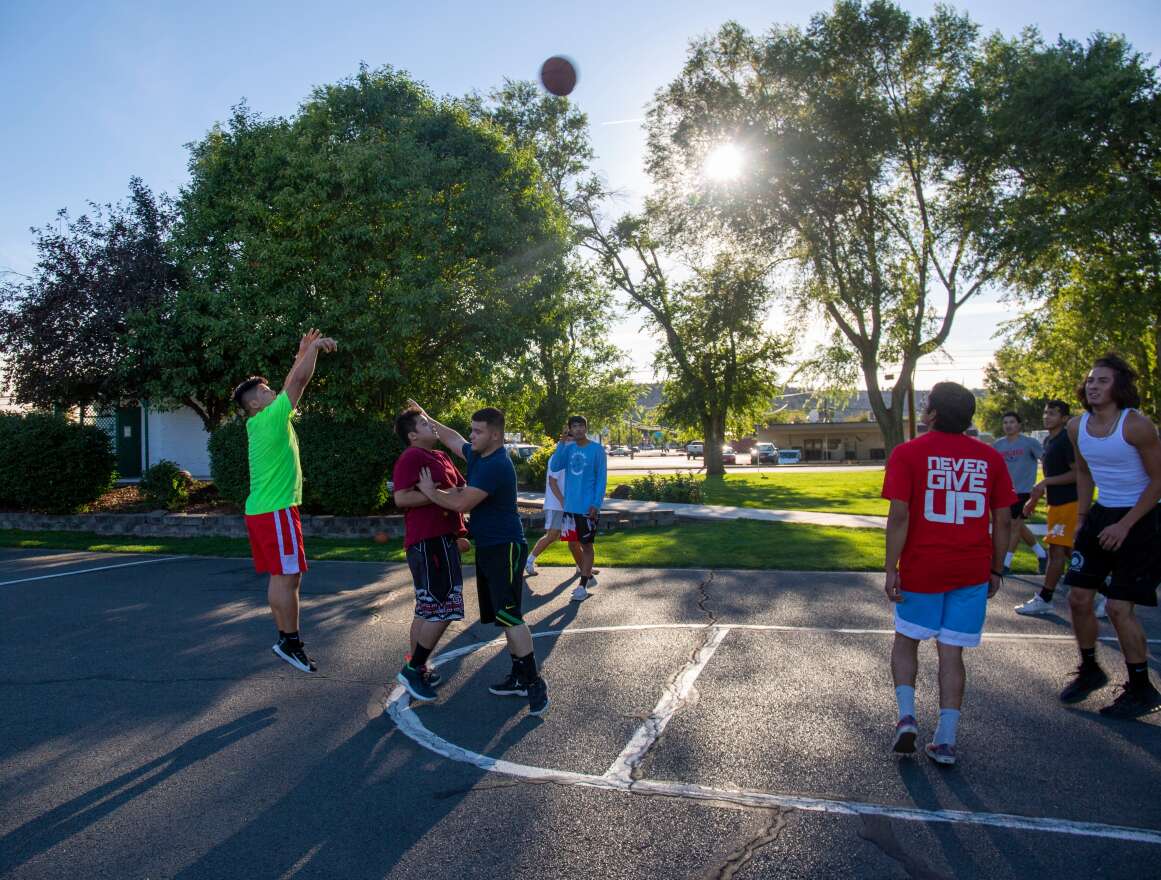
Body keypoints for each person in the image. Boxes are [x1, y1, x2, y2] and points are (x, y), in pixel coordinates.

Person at [883, 382, 1015, 766]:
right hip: (971, 568)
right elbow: (1003, 519)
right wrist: (996, 566)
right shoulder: (989, 458)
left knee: (907, 640)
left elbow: (900, 516)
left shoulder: (908, 453)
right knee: (951, 652)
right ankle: (946, 738)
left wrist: (891, 567)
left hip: (924, 567)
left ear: (933, 414)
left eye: (926, 404)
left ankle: (907, 717)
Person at [408, 400, 549, 716]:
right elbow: (452, 437)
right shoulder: (478, 454)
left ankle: (534, 682)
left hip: (505, 547)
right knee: (503, 616)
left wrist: (430, 491)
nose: (471, 436)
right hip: (489, 547)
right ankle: (517, 676)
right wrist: (428, 417)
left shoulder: (497, 464)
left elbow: (462, 503)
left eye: (478, 431)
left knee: (511, 616)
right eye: (472, 430)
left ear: (495, 436)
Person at [1057, 355, 1161, 718]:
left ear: (1118, 387)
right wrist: (1083, 517)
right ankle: (1090, 670)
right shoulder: (1076, 426)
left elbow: (1158, 481)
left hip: (1142, 518)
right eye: (1090, 380)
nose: (1093, 386)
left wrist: (1126, 524)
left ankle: (1141, 688)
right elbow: (1084, 472)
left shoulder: (1136, 426)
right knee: (1078, 598)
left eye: (1102, 381)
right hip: (1101, 514)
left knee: (1118, 607)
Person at [231, 329, 337, 673]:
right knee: (287, 577)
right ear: (255, 404)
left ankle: (286, 639)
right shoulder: (270, 418)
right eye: (264, 390)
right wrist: (315, 350)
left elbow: (293, 378)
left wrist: (301, 352)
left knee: (284, 576)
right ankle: (290, 642)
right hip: (275, 511)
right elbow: (300, 383)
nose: (271, 390)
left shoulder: (261, 420)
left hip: (264, 511)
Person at [391, 404, 471, 702]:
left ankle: (418, 666)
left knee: (427, 608)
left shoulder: (440, 456)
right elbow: (401, 498)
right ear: (413, 435)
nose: (431, 425)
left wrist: (460, 532)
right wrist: (431, 494)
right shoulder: (412, 457)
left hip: (444, 538)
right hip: (428, 541)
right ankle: (413, 669)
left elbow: (461, 492)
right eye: (424, 424)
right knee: (445, 606)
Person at [1015, 401, 1107, 618]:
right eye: (1045, 412)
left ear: (1065, 418)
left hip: (1070, 503)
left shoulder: (1066, 440)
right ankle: (1107, 592)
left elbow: (1078, 474)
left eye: (1053, 413)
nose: (1047, 416)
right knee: (1069, 552)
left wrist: (1045, 483)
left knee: (1056, 552)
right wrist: (1035, 498)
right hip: (1056, 505)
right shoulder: (1049, 440)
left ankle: (1044, 598)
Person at [549, 415, 608, 602]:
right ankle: (588, 576)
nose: (579, 429)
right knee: (572, 544)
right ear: (570, 430)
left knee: (587, 545)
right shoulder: (568, 449)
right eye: (575, 426)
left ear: (586, 428)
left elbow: (601, 479)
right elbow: (556, 465)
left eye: (581, 426)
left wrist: (596, 503)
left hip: (587, 506)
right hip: (570, 506)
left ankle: (582, 585)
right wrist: (561, 444)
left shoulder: (597, 450)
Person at [993, 412, 1048, 575]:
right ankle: (1042, 555)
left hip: (1024, 491)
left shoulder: (1029, 443)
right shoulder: (998, 445)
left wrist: (1045, 483)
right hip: (1005, 492)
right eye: (1005, 422)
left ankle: (1006, 564)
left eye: (1012, 422)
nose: (1008, 425)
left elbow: (1046, 461)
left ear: (1019, 425)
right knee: (1017, 525)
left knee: (1015, 526)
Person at [525, 443, 586, 577]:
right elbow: (552, 482)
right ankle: (529, 561)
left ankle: (582, 566)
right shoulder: (557, 459)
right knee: (552, 535)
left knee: (575, 538)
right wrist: (562, 501)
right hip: (556, 505)